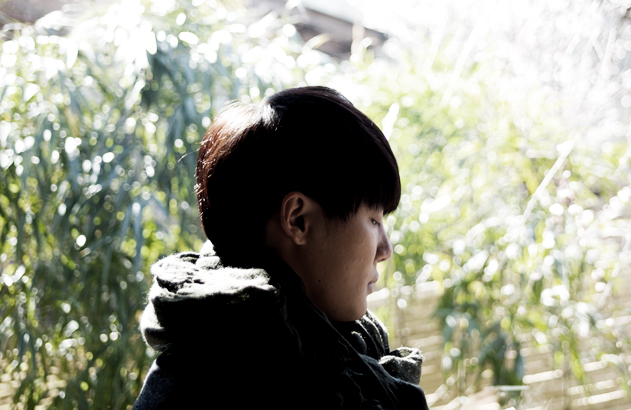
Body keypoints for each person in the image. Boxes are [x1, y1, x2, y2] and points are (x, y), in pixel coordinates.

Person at [133, 86, 429, 409]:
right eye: (373, 220)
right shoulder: (221, 386)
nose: (385, 249)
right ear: (298, 220)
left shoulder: (341, 348)